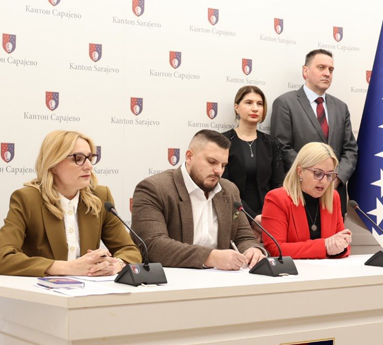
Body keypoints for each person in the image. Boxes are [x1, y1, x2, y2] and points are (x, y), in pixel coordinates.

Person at [0, 130, 142, 276]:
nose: (89, 166)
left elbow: (129, 250)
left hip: (89, 288)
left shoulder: (100, 197)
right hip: (40, 289)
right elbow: (2, 258)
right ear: (53, 164)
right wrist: (67, 267)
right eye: (78, 158)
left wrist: (117, 264)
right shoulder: (27, 199)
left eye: (90, 158)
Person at [132, 129, 266, 270]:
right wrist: (211, 257)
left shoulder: (229, 190)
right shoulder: (154, 189)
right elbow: (153, 245)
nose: (219, 171)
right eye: (212, 162)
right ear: (189, 156)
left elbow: (244, 237)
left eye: (223, 165)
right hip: (173, 278)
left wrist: (252, 250)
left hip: (222, 278)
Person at [271, 49, 357, 213]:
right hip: (299, 194)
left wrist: (335, 178)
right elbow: (282, 147)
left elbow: (350, 150)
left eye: (331, 69)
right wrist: (313, 176)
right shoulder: (285, 103)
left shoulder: (341, 107)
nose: (327, 73)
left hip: (333, 196)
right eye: (321, 67)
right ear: (305, 71)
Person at [261, 142, 352, 259]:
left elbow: (341, 244)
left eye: (329, 175)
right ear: (300, 172)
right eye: (318, 173)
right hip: (294, 270)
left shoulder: (333, 197)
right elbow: (275, 249)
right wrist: (324, 246)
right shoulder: (277, 199)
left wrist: (340, 245)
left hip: (327, 268)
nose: (324, 181)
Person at [221, 86, 285, 233]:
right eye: (249, 102)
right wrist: (252, 218)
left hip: (269, 219)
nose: (255, 108)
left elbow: (278, 185)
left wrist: (266, 218)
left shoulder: (272, 143)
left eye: (259, 104)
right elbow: (224, 187)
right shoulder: (223, 142)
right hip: (234, 216)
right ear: (237, 107)